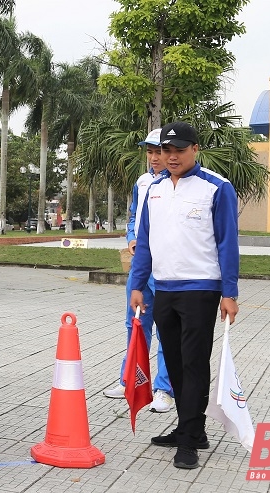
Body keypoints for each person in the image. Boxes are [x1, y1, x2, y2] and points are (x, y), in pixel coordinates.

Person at [130, 121, 239, 470]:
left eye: (178, 150)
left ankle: (190, 438)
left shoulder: (216, 188)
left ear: (195, 149)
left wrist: (229, 292)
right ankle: (189, 428)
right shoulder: (155, 190)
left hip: (201, 289)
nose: (171, 156)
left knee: (193, 364)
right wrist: (136, 284)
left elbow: (228, 243)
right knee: (174, 363)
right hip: (164, 289)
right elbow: (145, 241)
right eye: (166, 150)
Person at [103, 129, 175, 413]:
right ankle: (131, 380)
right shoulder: (142, 182)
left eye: (159, 152)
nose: (155, 158)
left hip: (166, 267)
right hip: (140, 266)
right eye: (150, 152)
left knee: (166, 329)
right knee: (135, 325)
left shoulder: (175, 182)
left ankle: (163, 389)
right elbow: (133, 216)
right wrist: (132, 237)